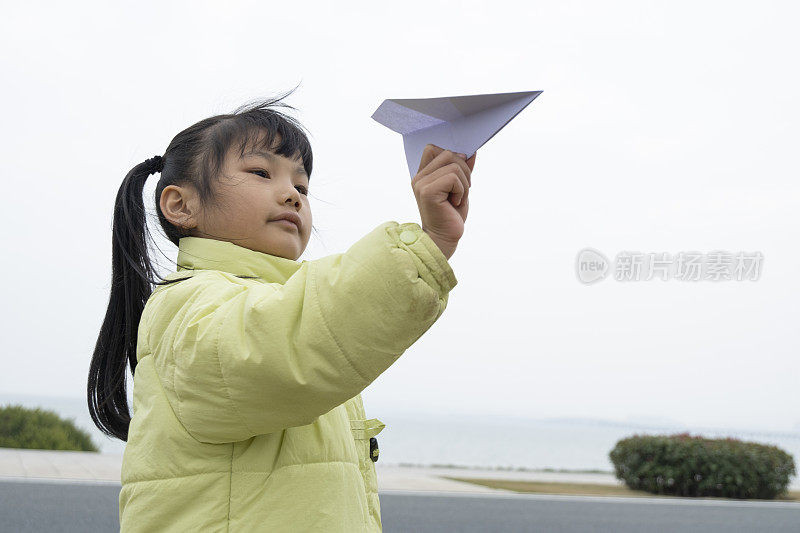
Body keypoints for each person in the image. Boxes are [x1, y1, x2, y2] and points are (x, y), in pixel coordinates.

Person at [87, 87, 475, 532]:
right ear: (181, 204)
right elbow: (291, 345)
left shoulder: (282, 305)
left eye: (301, 185)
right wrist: (427, 245)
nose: (291, 195)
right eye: (260, 172)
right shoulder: (188, 305)